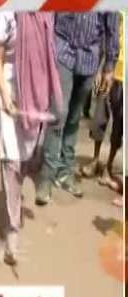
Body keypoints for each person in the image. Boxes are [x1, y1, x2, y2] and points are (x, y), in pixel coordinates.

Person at [0, 12, 63, 266]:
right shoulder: (7, 13)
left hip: (36, 93)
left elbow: (47, 55)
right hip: (10, 92)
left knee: (25, 157)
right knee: (11, 160)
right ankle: (12, 229)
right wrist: (6, 96)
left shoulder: (47, 13)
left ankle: (17, 197)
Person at [36, 12, 120, 204]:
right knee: (58, 114)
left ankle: (65, 172)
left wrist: (109, 66)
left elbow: (112, 26)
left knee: (74, 118)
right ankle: (47, 176)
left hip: (90, 56)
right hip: (62, 48)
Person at [81, 12, 124, 196]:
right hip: (109, 70)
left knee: (119, 126)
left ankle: (108, 168)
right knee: (99, 118)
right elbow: (104, 35)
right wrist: (100, 69)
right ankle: (95, 160)